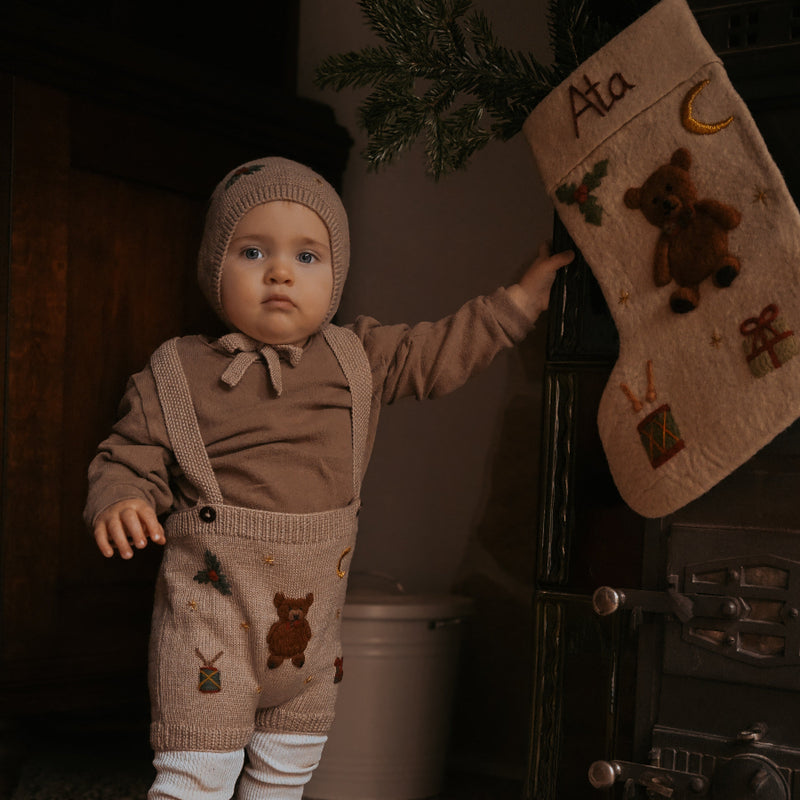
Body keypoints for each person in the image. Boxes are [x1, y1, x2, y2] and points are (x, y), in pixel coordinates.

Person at [84, 156, 574, 800]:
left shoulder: (356, 355)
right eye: (253, 251)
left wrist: (519, 299)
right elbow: (127, 453)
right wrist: (120, 499)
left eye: (307, 257)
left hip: (310, 637)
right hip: (209, 621)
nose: (281, 271)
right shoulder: (176, 372)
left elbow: (440, 353)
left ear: (336, 276)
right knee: (194, 774)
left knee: (286, 774)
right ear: (214, 268)